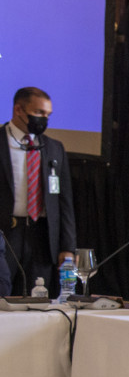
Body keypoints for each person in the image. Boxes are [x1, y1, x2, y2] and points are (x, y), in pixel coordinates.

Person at [2, 87, 74, 294]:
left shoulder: (54, 148)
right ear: (18, 110)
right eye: (39, 112)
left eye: (48, 115)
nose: (44, 119)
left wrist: (67, 246)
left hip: (41, 236)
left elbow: (64, 201)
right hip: (6, 233)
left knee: (37, 299)